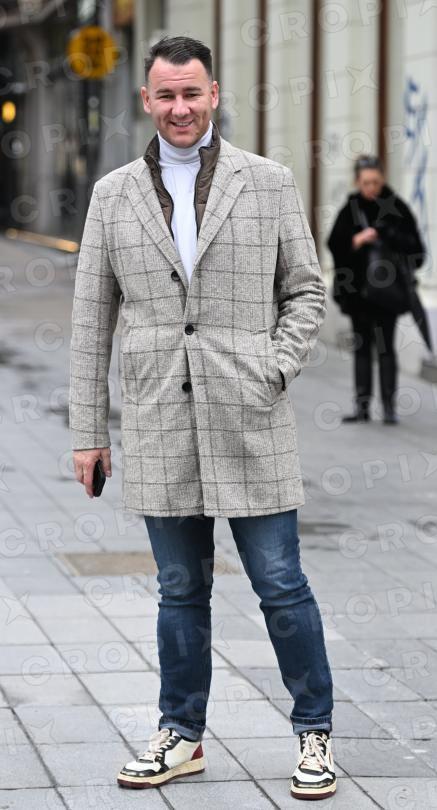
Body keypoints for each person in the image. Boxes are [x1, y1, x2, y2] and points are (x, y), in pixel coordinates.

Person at [69, 35, 335, 801]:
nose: (179, 108)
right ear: (145, 100)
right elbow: (90, 318)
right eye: (166, 95)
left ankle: (313, 731)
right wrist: (88, 433)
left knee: (279, 582)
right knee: (179, 588)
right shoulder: (113, 194)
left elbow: (305, 289)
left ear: (213, 94)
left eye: (192, 93)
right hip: (158, 417)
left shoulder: (268, 182)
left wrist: (273, 367)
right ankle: (180, 733)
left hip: (250, 413)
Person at [326, 154, 426, 424]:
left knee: (385, 349)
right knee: (361, 349)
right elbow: (333, 244)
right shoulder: (350, 209)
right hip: (358, 295)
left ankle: (389, 407)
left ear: (383, 180)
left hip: (386, 296)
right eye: (366, 183)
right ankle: (362, 406)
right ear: (357, 182)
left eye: (376, 182)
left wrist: (389, 236)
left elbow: (418, 252)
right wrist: (356, 240)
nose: (371, 188)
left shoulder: (397, 208)